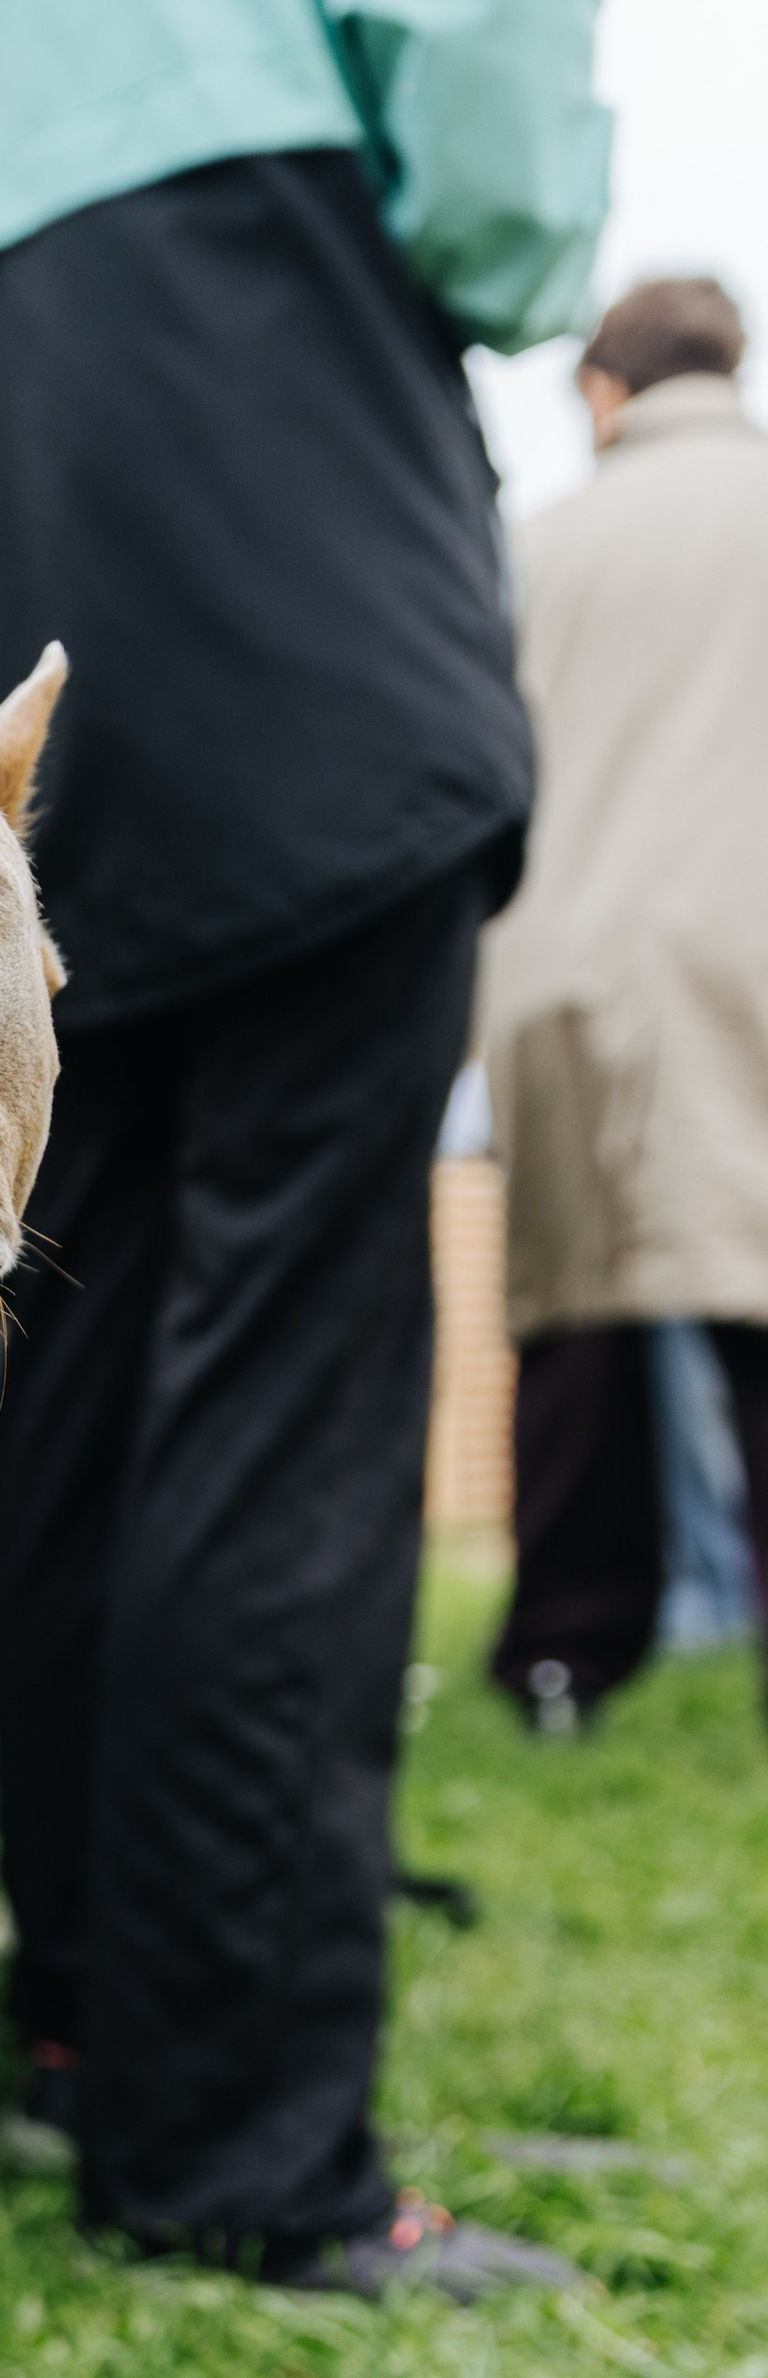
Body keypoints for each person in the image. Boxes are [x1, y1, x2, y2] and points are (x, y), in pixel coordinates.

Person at [0, 0, 699, 2296]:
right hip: (291, 459)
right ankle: (247, 2147)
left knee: (86, 1322)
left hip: (27, 469)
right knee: (295, 1362)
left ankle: (95, 2033)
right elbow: (487, 104)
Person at [481, 279, 768, 1729]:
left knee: (580, 1323)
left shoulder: (542, 549)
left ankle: (564, 1657)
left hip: (577, 968)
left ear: (604, 392)